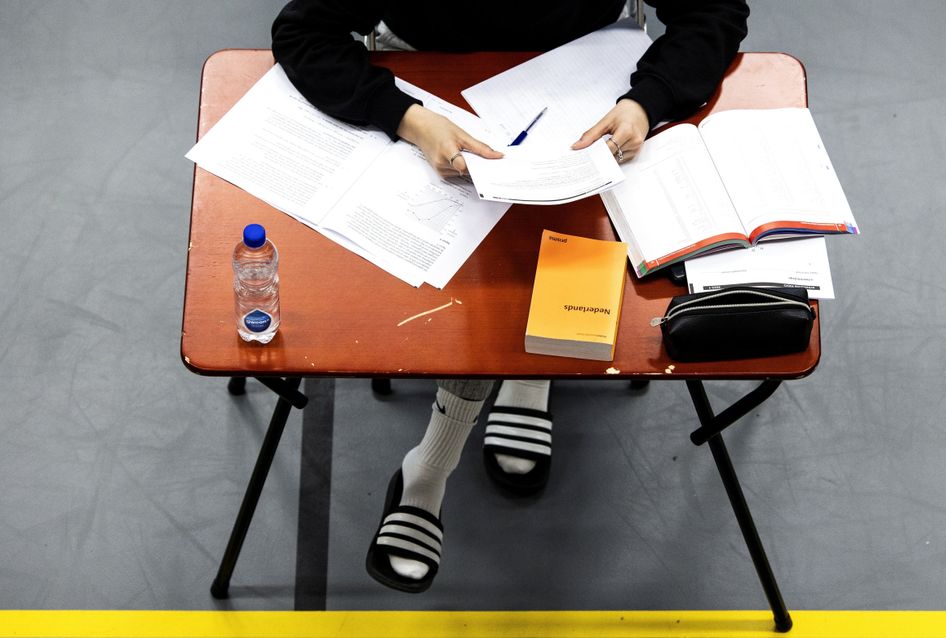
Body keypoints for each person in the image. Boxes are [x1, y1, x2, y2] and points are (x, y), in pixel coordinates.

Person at [271, 0, 749, 593]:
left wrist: (646, 100)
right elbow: (304, 30)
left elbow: (715, 9)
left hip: (586, 85)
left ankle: (441, 457)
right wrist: (408, 118)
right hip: (433, 89)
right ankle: (494, 408)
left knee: (553, 235)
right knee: (477, 266)